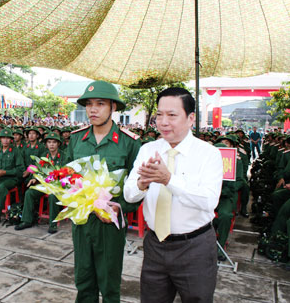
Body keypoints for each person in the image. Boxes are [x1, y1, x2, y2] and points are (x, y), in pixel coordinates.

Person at [124, 87, 223, 303]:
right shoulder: (148, 149)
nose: (163, 122)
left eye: (172, 115)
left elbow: (208, 201)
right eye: (159, 115)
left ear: (190, 118)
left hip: (194, 247)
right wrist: (143, 182)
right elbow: (129, 194)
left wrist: (169, 179)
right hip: (155, 245)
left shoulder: (209, 154)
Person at [66, 80, 141, 302]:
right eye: (89, 104)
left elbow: (139, 186)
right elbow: (66, 177)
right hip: (82, 220)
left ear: (113, 107)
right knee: (83, 280)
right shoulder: (76, 139)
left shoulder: (129, 143)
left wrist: (120, 207)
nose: (93, 109)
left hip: (111, 222)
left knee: (109, 284)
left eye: (100, 103)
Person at [15, 131, 64, 233]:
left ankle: (53, 224)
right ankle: (26, 220)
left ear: (58, 144)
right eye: (49, 142)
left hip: (57, 186)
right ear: (46, 144)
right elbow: (38, 169)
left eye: (54, 142)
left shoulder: (64, 156)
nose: (51, 144)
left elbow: (67, 173)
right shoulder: (44, 156)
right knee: (29, 193)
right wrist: (34, 178)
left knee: (52, 196)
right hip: (45, 184)